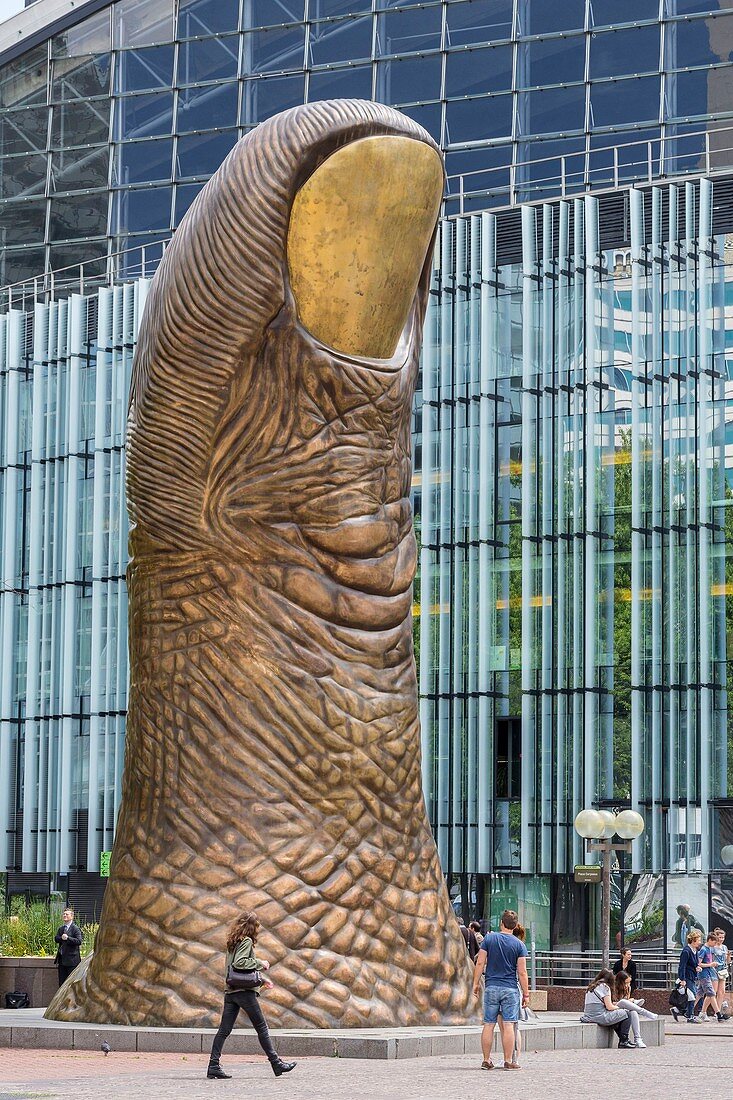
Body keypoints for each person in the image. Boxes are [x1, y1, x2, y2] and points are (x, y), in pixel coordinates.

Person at [206, 910, 296, 1080]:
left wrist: (261, 981)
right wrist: (260, 963)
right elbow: (241, 963)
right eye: (256, 926)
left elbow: (236, 969)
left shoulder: (233, 942)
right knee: (262, 1027)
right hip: (243, 993)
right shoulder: (246, 941)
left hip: (231, 991)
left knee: (224, 1030)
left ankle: (213, 1065)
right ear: (252, 926)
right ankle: (276, 1063)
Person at [472, 909, 529, 1071]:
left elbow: (480, 963)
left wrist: (476, 983)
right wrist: (526, 994)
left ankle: (486, 1059)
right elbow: (522, 972)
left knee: (489, 1024)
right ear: (515, 926)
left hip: (491, 986)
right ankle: (507, 1060)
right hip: (510, 988)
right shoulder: (519, 945)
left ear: (501, 923)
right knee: (509, 1024)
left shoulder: (489, 939)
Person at [580, 969, 635, 1048]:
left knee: (618, 1018)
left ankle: (624, 1040)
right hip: (599, 1016)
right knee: (627, 1013)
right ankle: (624, 1041)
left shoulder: (592, 986)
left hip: (589, 1015)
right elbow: (609, 1007)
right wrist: (621, 1006)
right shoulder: (605, 987)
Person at [612, 969, 657, 1047]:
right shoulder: (613, 988)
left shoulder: (628, 988)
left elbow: (626, 1000)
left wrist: (629, 1000)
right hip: (614, 1009)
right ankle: (644, 1012)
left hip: (624, 1009)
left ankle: (638, 1039)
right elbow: (610, 1004)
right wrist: (628, 1001)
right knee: (623, 1002)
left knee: (633, 1012)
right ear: (620, 982)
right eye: (626, 982)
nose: (628, 984)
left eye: (629, 982)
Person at [694, 931, 726, 1022]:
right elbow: (699, 963)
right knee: (711, 993)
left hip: (707, 973)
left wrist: (711, 965)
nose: (716, 944)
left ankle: (687, 1010)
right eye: (715, 942)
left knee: (699, 994)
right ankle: (718, 1014)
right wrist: (710, 965)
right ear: (710, 940)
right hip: (704, 974)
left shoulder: (710, 949)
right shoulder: (704, 949)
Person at [675, 930, 702, 1022]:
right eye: (698, 940)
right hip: (687, 976)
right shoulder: (686, 951)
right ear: (693, 940)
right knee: (692, 995)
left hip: (692, 975)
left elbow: (693, 963)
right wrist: (682, 979)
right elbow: (682, 966)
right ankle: (690, 1016)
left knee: (691, 996)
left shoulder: (695, 950)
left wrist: (697, 967)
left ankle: (678, 1010)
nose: (700, 942)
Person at [54, 907, 83, 987]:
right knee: (62, 984)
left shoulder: (75, 929)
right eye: (64, 914)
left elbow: (79, 941)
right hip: (62, 961)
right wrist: (61, 938)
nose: (64, 915)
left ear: (72, 916)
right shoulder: (61, 929)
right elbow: (56, 939)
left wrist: (68, 938)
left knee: (71, 985)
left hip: (72, 961)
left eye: (67, 914)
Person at [713, 928, 730, 1016]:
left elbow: (727, 961)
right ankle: (709, 1010)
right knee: (713, 991)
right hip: (714, 970)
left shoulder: (724, 947)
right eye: (720, 937)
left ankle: (718, 1011)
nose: (721, 939)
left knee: (721, 991)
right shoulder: (713, 947)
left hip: (723, 971)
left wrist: (728, 956)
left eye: (723, 937)